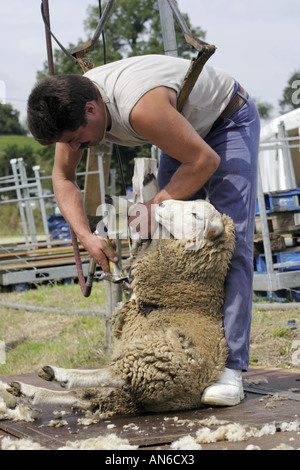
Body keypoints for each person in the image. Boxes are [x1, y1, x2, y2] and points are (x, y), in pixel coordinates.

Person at [27, 54, 260, 406]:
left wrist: (153, 208)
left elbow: (205, 160)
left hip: (227, 120)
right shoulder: (70, 107)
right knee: (166, 239)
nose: (75, 148)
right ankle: (182, 354)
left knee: (229, 241)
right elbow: (62, 178)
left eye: (76, 139)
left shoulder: (140, 108)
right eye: (69, 142)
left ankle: (232, 370)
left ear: (92, 109)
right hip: (184, 125)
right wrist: (87, 237)